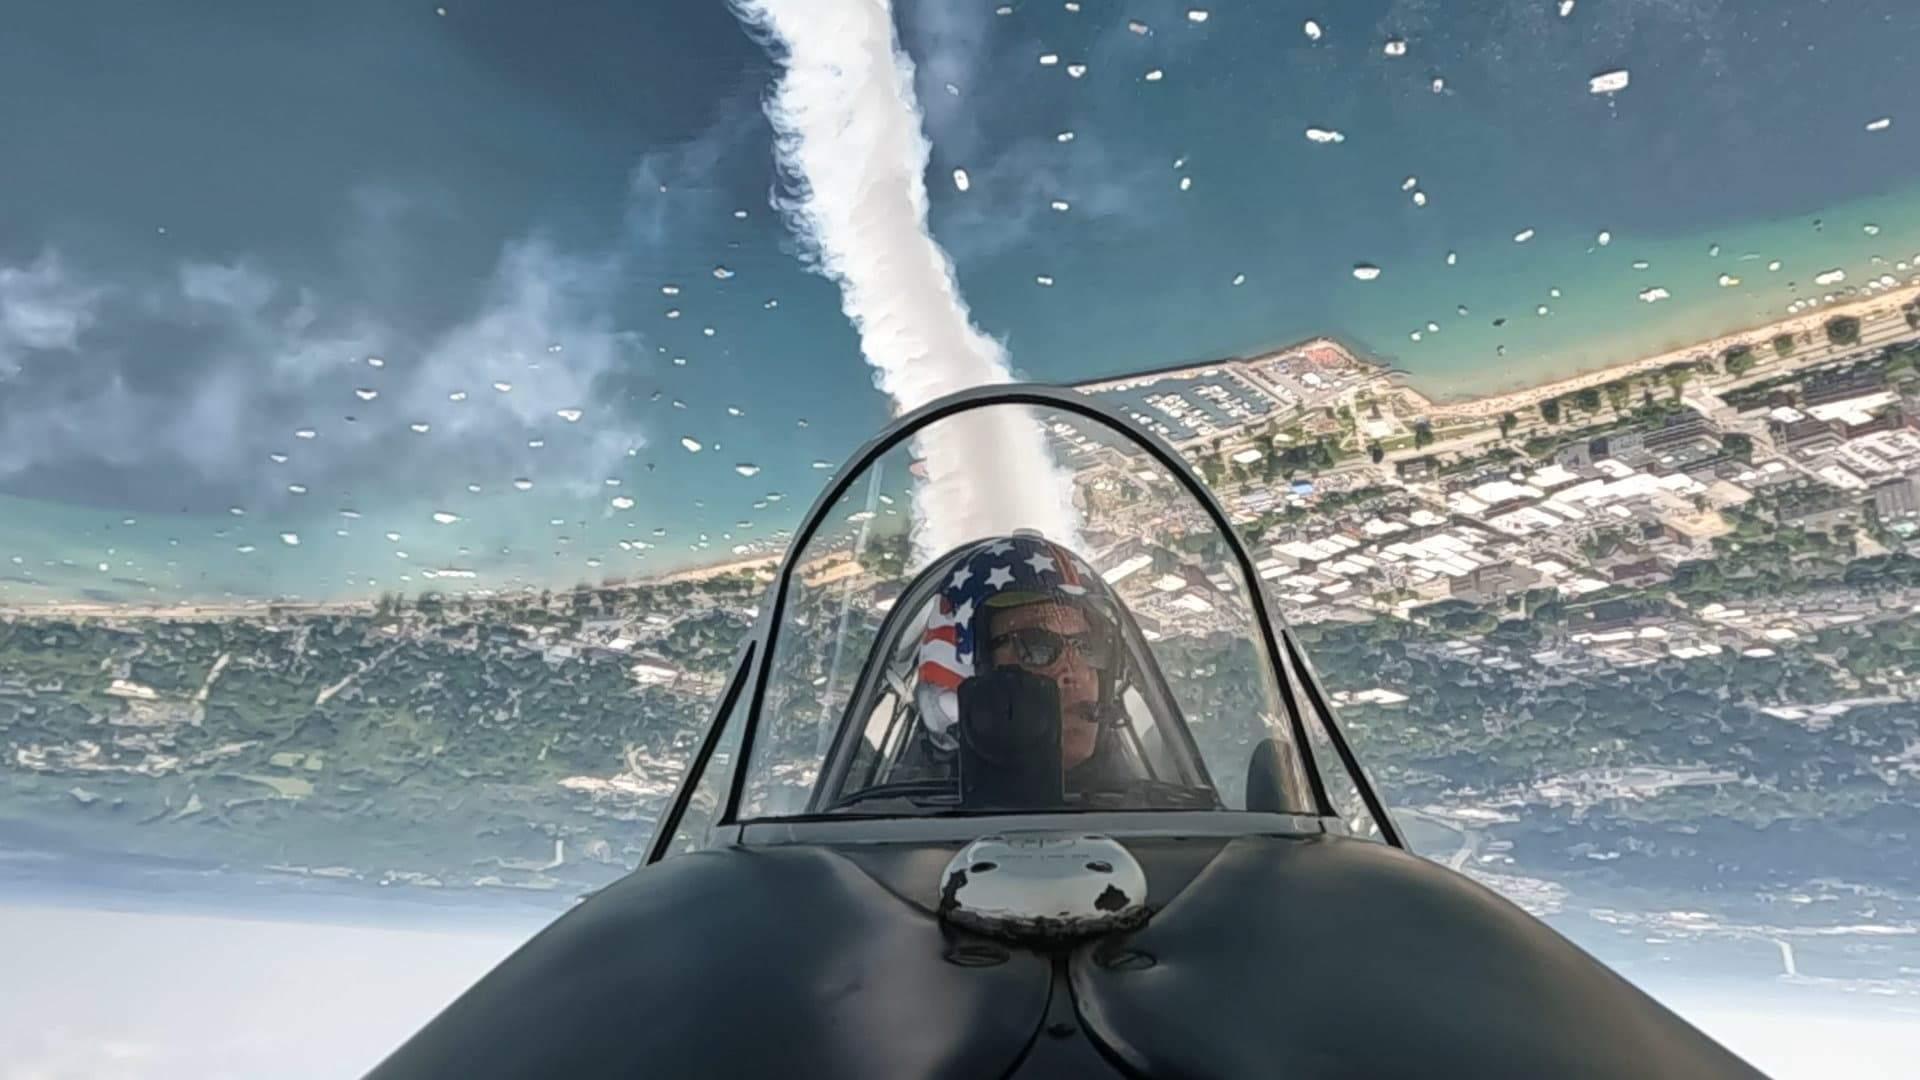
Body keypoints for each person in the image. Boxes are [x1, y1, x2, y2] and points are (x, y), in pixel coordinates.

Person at [915, 532, 1126, 783]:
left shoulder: (1150, 803)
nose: (1074, 673)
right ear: (968, 675)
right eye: (1037, 647)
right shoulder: (888, 813)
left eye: (1088, 646)